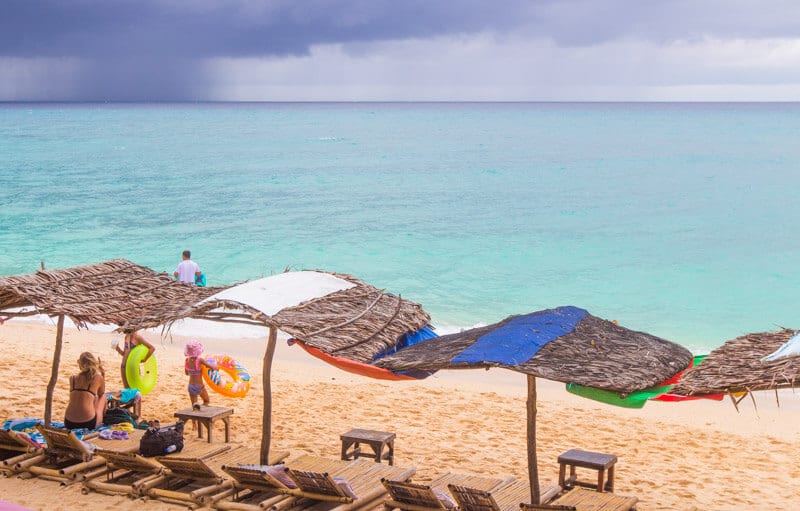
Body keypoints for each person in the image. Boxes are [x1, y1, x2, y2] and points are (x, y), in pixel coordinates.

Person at [64, 352, 106, 430]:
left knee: (89, 397)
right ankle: (103, 420)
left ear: (80, 365)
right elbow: (101, 393)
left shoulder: (72, 379)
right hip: (88, 423)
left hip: (68, 422)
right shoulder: (98, 377)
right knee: (103, 397)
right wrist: (103, 374)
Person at [184, 339, 214, 410]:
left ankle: (195, 419)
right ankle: (202, 415)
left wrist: (193, 371)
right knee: (206, 400)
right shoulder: (200, 360)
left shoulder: (187, 361)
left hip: (191, 386)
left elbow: (186, 373)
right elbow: (211, 367)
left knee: (194, 406)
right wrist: (216, 367)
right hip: (199, 386)